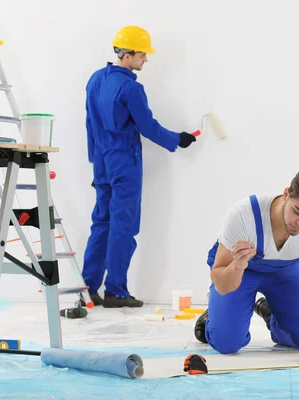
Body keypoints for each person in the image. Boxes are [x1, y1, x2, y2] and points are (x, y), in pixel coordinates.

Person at [82, 26, 198, 308]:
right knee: (124, 225)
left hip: (102, 161)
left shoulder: (96, 79)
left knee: (101, 223)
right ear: (129, 54)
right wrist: (178, 140)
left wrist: (94, 159)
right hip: (124, 162)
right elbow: (147, 126)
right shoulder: (131, 88)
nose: (146, 60)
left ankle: (87, 289)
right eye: (143, 55)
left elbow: (89, 122)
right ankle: (116, 291)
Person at [194, 167, 299, 365]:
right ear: (287, 194)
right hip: (239, 268)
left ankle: (272, 313)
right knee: (227, 343)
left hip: (284, 270)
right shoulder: (244, 214)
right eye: (297, 212)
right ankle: (214, 316)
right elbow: (222, 284)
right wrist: (237, 266)